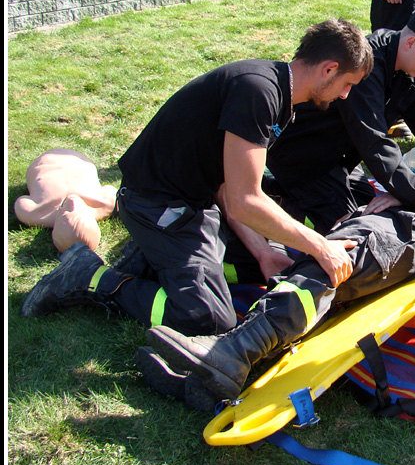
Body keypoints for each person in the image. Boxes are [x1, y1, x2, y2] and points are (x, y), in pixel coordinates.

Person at [22, 19, 375, 337]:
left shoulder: (277, 95)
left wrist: (264, 252)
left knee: (280, 257)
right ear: (329, 69)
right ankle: (89, 276)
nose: (345, 96)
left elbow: (228, 188)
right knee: (206, 319)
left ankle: (150, 260)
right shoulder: (258, 92)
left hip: (195, 203)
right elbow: (245, 200)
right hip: (155, 204)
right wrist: (318, 243)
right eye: (347, 84)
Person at [136, 165, 415, 409]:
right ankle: (213, 380)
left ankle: (233, 352)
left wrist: (414, 195)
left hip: (404, 233)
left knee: (327, 268)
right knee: (308, 275)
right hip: (380, 223)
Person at [265, 6, 415, 246]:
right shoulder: (366, 66)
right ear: (410, 43)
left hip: (338, 159)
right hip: (302, 158)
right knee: (356, 232)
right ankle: (275, 197)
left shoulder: (408, 70)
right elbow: (374, 142)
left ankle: (281, 195)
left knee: (380, 211)